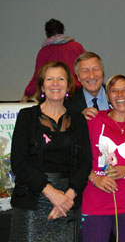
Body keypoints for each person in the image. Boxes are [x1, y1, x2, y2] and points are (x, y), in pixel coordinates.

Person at [9, 61, 92, 242]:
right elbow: (18, 162)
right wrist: (51, 193)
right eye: (50, 79)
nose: (55, 83)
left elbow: (86, 162)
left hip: (68, 200)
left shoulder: (78, 119)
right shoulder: (26, 117)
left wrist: (69, 195)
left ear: (68, 85)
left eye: (61, 79)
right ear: (42, 85)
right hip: (33, 198)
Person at [80, 74, 125, 242]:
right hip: (95, 201)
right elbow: (75, 157)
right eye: (114, 91)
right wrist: (94, 178)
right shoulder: (93, 120)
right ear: (108, 96)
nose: (120, 95)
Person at [21, 18, 85, 102]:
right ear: (62, 30)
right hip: (78, 93)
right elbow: (86, 68)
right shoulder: (77, 46)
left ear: (47, 33)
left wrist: (26, 95)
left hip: (55, 94)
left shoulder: (44, 52)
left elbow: (37, 77)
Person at [68, 51, 109, 120]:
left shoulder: (117, 95)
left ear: (103, 72)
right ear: (78, 77)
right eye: (85, 71)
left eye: (95, 69)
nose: (91, 76)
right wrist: (80, 119)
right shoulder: (70, 103)